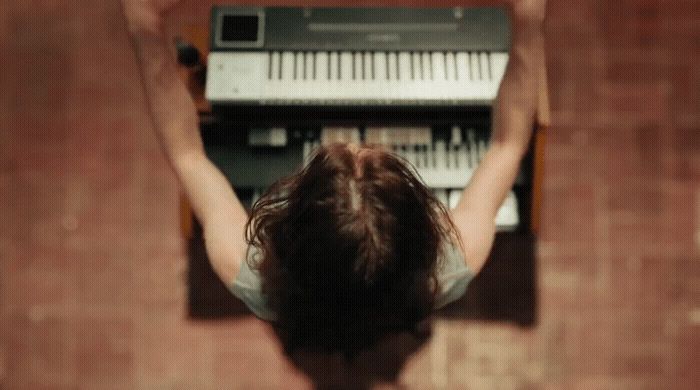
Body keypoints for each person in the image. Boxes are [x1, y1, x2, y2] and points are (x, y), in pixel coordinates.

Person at [121, 0, 546, 387]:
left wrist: (144, 26)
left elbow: (187, 155)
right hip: (394, 311)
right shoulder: (452, 265)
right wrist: (528, 24)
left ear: (292, 228)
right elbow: (507, 144)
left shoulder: (247, 270)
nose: (355, 142)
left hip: (301, 314)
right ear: (421, 231)